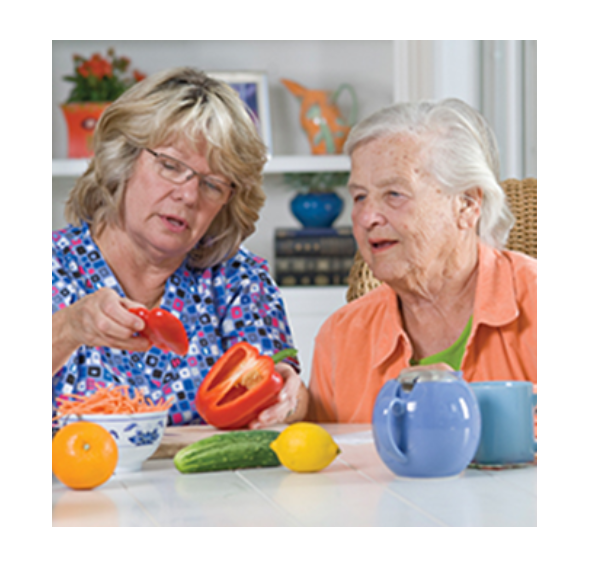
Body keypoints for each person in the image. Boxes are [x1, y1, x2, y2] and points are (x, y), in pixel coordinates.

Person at [52, 67, 309, 428]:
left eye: (212, 184)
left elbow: (288, 391)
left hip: (209, 484)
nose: (188, 195)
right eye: (171, 166)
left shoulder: (239, 279)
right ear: (123, 160)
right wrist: (67, 329)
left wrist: (289, 397)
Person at [306, 98, 537, 423]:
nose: (367, 217)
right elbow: (323, 466)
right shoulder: (339, 338)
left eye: (394, 194)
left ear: (467, 205)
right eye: (359, 196)